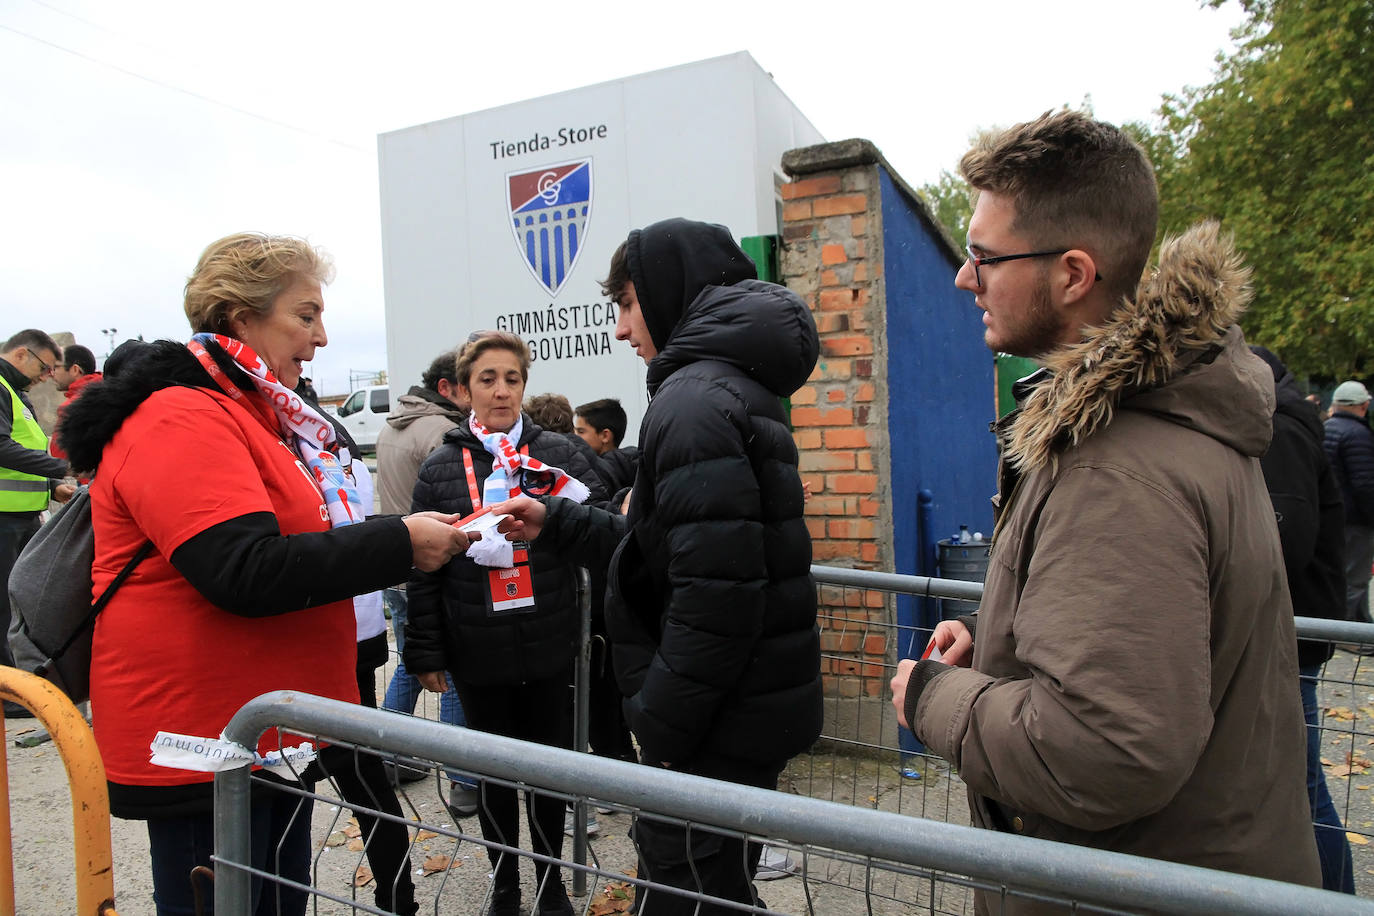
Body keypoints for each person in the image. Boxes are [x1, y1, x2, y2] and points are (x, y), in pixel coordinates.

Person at [887, 110, 1320, 896]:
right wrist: (997, 646)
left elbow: (1105, 750)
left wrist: (934, 697)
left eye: (984, 255)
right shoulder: (1164, 419)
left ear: (1074, 274)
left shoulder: (1117, 468)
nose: (963, 275)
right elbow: (1147, 640)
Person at [57, 233, 472, 916]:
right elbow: (241, 570)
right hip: (206, 740)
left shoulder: (243, 411)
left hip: (258, 733)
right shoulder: (180, 414)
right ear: (239, 315)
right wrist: (399, 540)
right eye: (305, 316)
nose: (322, 337)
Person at [490, 218, 823, 914]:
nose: (618, 329)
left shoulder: (694, 401)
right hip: (736, 712)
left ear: (670, 293)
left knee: (687, 895)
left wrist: (660, 723)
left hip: (708, 725)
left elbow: (717, 598)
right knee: (718, 891)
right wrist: (562, 523)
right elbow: (669, 549)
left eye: (626, 304)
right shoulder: (719, 389)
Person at [404, 331, 606, 916]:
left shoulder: (558, 455)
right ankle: (505, 884)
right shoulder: (442, 464)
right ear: (465, 390)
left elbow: (601, 517)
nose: (501, 390)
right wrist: (426, 652)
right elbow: (424, 571)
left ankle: (549, 884)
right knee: (493, 775)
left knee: (548, 771)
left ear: (524, 386)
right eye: (487, 379)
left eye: (512, 379)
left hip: (549, 641)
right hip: (479, 646)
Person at [1250, 346, 1354, 892]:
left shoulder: (1281, 427)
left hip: (1292, 635)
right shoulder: (1283, 417)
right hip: (1287, 630)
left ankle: (1337, 899)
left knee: (1301, 788)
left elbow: (1285, 539)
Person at [374, 347, 478, 816]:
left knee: (413, 661)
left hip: (394, 563)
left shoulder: (392, 425)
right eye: (467, 383)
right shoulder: (441, 432)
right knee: (447, 668)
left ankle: (384, 749)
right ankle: (462, 779)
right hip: (428, 566)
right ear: (447, 388)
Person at [0, 329, 75, 698]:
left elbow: (18, 455)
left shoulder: (16, 395)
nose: (47, 376)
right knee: (4, 607)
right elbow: (1, 449)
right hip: (3, 519)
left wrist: (49, 487)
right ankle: (10, 694)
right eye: (44, 368)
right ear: (21, 355)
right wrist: (62, 468)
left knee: (21, 604)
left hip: (21, 516)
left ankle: (23, 686)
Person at [1324, 380, 1374, 628]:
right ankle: (1347, 630)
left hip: (1334, 514)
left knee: (1350, 573)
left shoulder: (1327, 427)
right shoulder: (1358, 434)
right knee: (1356, 576)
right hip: (1355, 518)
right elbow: (1364, 483)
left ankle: (1362, 623)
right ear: (1363, 406)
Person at [574, 398, 639, 495]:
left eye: (581, 431)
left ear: (605, 436)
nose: (574, 436)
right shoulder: (639, 467)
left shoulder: (596, 475)